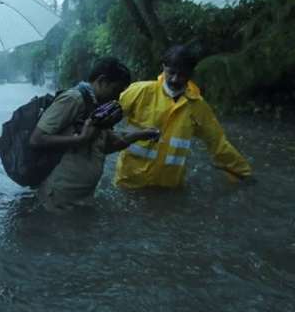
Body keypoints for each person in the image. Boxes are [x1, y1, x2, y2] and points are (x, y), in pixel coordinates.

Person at [113, 45, 255, 189]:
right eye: (171, 72)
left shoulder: (197, 105)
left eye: (181, 75)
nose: (175, 79)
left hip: (169, 187)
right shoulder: (141, 91)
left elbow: (218, 144)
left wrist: (245, 174)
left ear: (191, 74)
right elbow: (105, 118)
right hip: (129, 182)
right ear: (164, 68)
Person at [29, 58, 160, 214]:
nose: (117, 98)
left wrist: (141, 134)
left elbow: (110, 143)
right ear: (102, 80)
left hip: (83, 198)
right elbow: (36, 139)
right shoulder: (73, 99)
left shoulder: (97, 108)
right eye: (115, 90)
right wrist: (80, 140)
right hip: (59, 197)